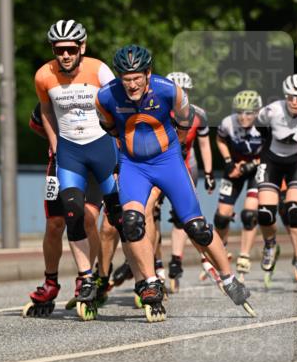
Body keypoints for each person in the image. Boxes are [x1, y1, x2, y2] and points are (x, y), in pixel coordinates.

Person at [96, 45, 254, 319]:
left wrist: (175, 151)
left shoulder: (168, 90)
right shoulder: (105, 96)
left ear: (148, 73)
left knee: (196, 227)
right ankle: (150, 283)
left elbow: (185, 122)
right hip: (134, 165)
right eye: (126, 78)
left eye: (137, 78)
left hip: (168, 161)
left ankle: (229, 279)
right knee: (131, 223)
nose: (132, 84)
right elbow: (110, 128)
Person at [35, 20, 122, 318]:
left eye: (71, 49)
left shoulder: (99, 71)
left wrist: (121, 147)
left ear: (82, 47)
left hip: (100, 151)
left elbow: (118, 109)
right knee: (58, 221)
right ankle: (53, 281)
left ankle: (99, 277)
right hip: (66, 157)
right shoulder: (44, 76)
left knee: (93, 219)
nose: (65, 55)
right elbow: (43, 113)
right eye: (59, 50)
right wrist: (55, 144)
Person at [22, 103, 103, 316]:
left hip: (94, 166)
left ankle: (85, 279)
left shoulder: (96, 89)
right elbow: (36, 123)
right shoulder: (51, 94)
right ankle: (50, 282)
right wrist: (56, 142)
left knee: (88, 218)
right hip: (59, 165)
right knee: (54, 223)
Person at [255, 75, 297, 287]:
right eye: (291, 96)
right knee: (265, 213)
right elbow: (258, 129)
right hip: (271, 160)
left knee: (294, 209)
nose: (295, 102)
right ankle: (270, 244)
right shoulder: (272, 111)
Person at [164, 71, 215, 291]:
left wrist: (210, 173)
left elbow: (204, 145)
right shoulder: (158, 112)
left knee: (185, 215)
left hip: (186, 164)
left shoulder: (198, 114)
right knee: (151, 214)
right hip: (158, 163)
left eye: (186, 92)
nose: (181, 96)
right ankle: (153, 264)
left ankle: (177, 260)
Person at [213, 90, 263, 279]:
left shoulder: (264, 125)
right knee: (221, 217)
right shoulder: (228, 122)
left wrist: (249, 166)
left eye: (249, 112)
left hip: (257, 168)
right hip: (235, 166)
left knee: (249, 213)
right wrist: (227, 162)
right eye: (240, 112)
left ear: (257, 112)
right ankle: (221, 250)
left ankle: (244, 255)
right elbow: (219, 139)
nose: (243, 117)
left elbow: (271, 153)